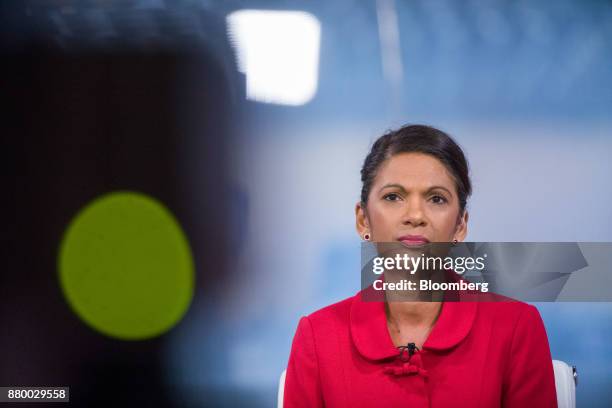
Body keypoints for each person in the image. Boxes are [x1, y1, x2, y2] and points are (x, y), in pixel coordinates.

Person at [283, 125, 557, 407]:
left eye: (436, 199)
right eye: (393, 197)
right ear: (363, 220)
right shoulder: (318, 336)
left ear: (460, 225)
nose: (415, 215)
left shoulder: (515, 329)